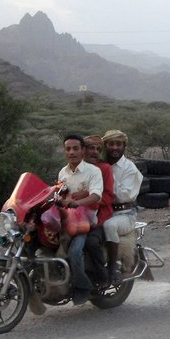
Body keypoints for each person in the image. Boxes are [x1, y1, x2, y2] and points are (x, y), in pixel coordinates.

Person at [58, 134, 103, 305]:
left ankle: (83, 286)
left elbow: (96, 196)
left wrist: (76, 203)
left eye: (75, 148)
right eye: (68, 149)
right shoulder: (63, 172)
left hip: (84, 222)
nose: (71, 152)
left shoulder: (93, 171)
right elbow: (60, 194)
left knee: (75, 252)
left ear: (83, 150)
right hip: (66, 221)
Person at [101, 129, 143, 285]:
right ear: (105, 146)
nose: (114, 147)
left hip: (124, 214)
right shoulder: (100, 165)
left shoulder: (129, 168)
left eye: (118, 144)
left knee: (109, 226)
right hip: (104, 211)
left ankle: (113, 266)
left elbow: (124, 196)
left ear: (124, 146)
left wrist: (107, 175)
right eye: (111, 144)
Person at [73, 135, 116, 286]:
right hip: (75, 216)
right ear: (83, 150)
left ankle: (102, 275)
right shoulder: (74, 168)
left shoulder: (104, 169)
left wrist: (85, 198)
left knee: (91, 242)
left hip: (99, 217)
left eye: (98, 149)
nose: (95, 152)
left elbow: (108, 196)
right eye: (91, 148)